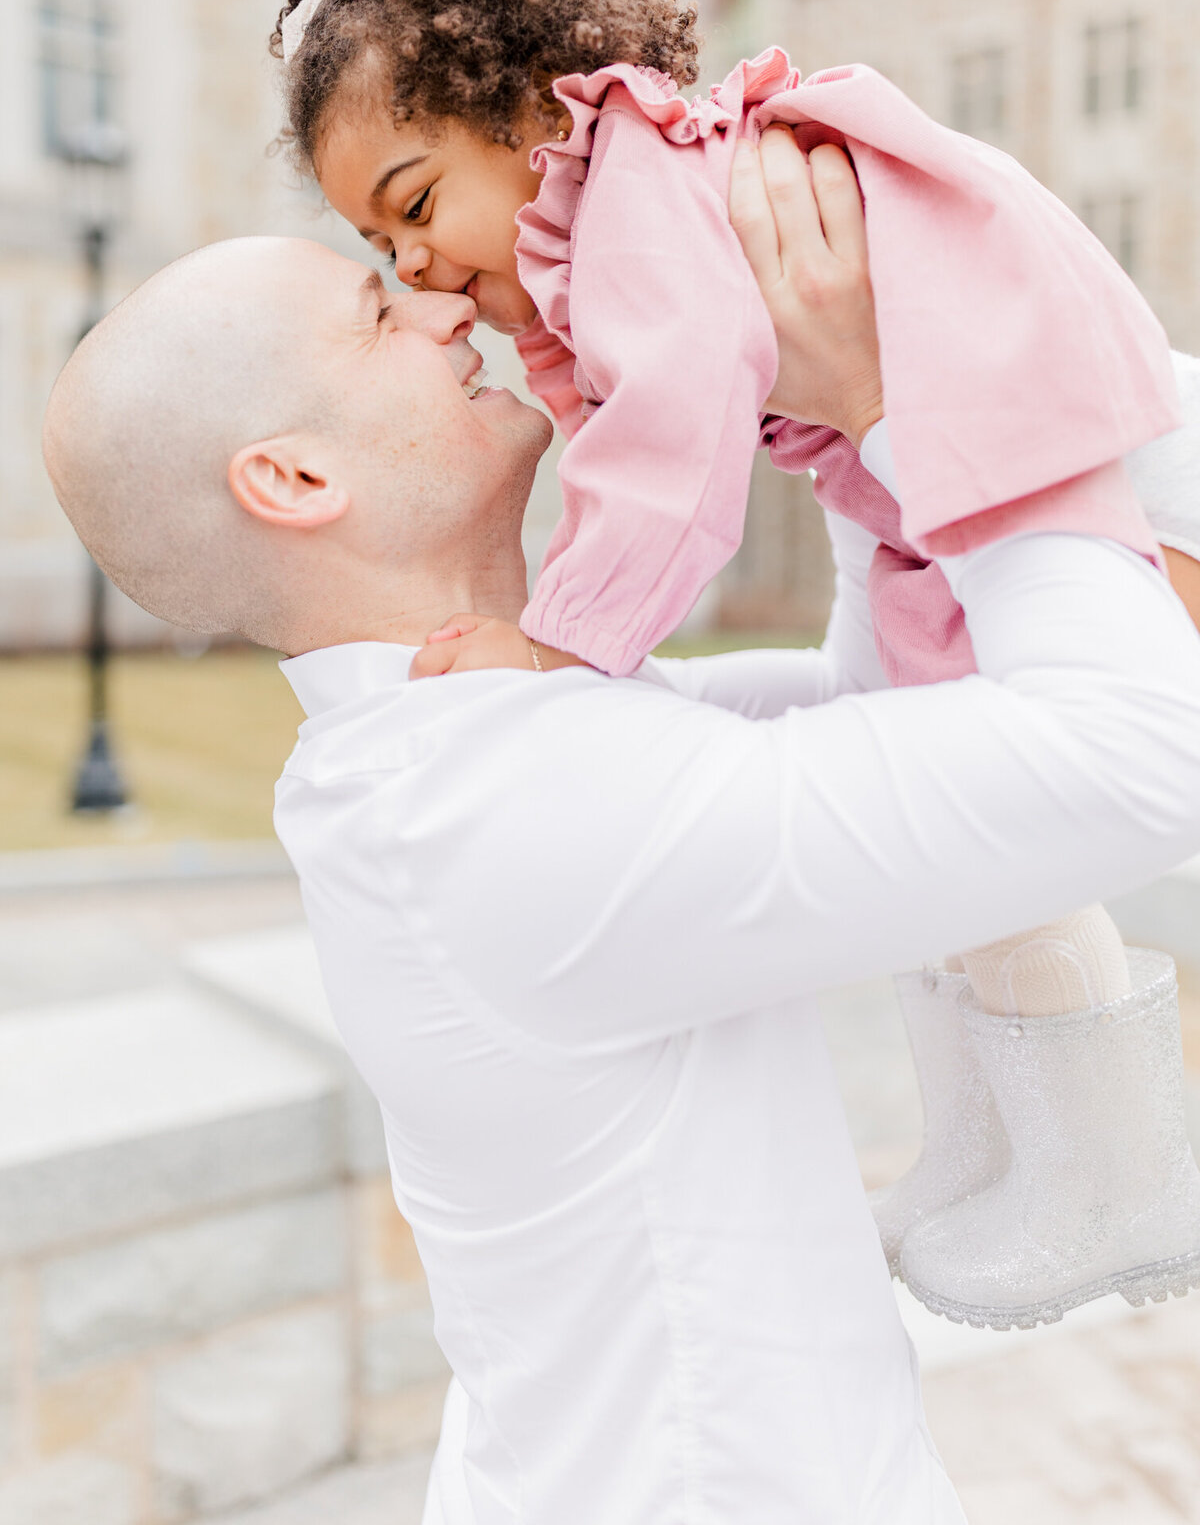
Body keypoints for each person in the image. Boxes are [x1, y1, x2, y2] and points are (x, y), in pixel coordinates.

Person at [42, 137, 1200, 1522]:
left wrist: (833, 412)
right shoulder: (500, 815)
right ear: (292, 481)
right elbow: (1138, 749)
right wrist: (902, 393)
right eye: (374, 314)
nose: (443, 306)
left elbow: (878, 704)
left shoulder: (471, 748)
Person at [271, 0, 1199, 1324]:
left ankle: (1117, 1177)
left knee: (1025, 794)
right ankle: (999, 1150)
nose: (419, 263)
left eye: (417, 201)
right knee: (947, 782)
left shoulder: (636, 189)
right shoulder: (600, 215)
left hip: (1061, 415)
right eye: (379, 246)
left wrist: (565, 644)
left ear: (524, 105)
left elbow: (676, 438)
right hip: (958, 454)